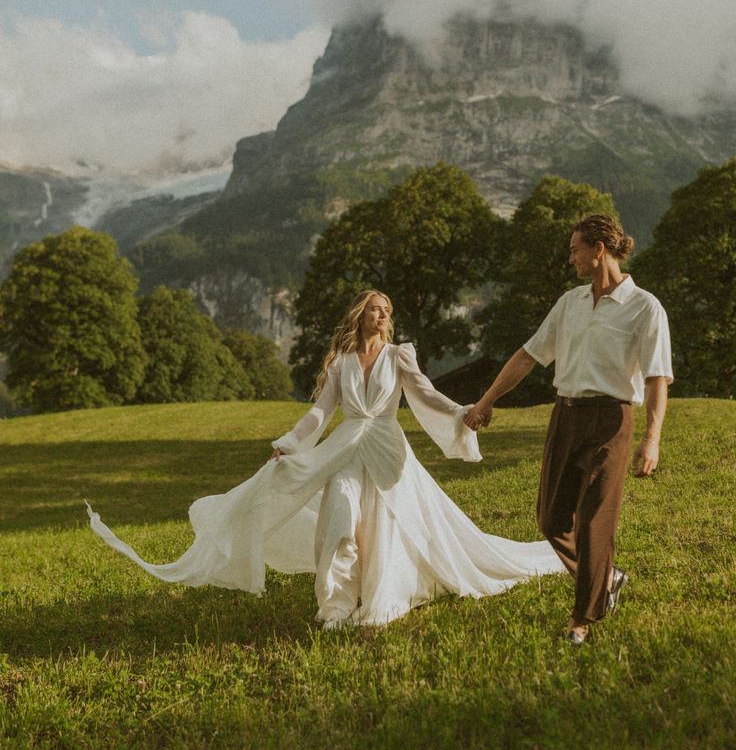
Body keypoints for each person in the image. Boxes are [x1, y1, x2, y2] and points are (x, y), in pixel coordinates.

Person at [87, 289, 565, 628]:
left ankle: (378, 592)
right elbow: (320, 411)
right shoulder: (340, 363)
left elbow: (427, 396)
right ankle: (335, 607)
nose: (383, 316)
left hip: (387, 448)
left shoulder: (401, 356)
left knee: (385, 522)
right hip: (345, 448)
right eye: (375, 310)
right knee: (340, 514)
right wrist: (290, 442)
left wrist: (464, 413)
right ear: (360, 316)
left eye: (387, 311)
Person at [464, 214, 673, 644]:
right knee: (550, 520)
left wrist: (651, 438)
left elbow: (656, 378)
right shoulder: (569, 303)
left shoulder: (645, 307)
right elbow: (528, 355)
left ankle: (582, 618)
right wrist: (487, 401)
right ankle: (605, 578)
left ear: (599, 250)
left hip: (611, 422)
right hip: (565, 416)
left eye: (576, 249)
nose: (571, 258)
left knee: (595, 522)